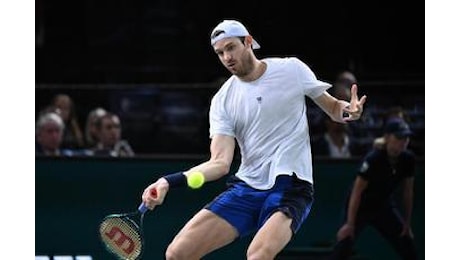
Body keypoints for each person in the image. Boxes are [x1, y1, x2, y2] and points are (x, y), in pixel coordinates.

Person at [141, 19, 367, 260]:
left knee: (257, 256)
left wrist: (348, 111)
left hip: (291, 186)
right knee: (178, 253)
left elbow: (332, 107)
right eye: (219, 53)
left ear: (248, 42)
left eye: (231, 48)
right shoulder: (222, 101)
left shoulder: (291, 69)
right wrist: (167, 181)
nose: (226, 57)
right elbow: (219, 163)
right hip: (246, 189)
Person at [328, 117, 417, 260]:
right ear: (387, 137)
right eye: (399, 137)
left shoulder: (408, 160)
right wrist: (350, 223)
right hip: (360, 207)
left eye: (406, 138)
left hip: (383, 206)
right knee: (343, 244)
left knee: (407, 244)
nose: (403, 142)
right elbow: (356, 192)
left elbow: (408, 192)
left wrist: (407, 223)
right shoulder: (373, 159)